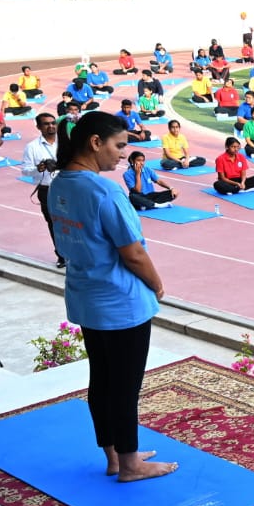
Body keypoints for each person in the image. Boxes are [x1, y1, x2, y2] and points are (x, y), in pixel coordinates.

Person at [47, 112, 175, 483]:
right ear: (94, 142)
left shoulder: (60, 184)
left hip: (86, 297)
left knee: (101, 379)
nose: (122, 155)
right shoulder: (104, 191)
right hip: (120, 302)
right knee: (124, 386)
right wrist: (157, 283)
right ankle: (131, 464)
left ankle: (115, 456)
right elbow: (132, 252)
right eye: (118, 146)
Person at [24, 112, 64, 267]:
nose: (51, 126)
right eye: (46, 124)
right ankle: (61, 255)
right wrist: (38, 168)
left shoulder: (65, 143)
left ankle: (77, 255)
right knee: (53, 223)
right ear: (38, 127)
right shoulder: (32, 147)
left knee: (74, 222)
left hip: (67, 188)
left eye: (53, 123)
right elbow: (26, 170)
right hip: (46, 190)